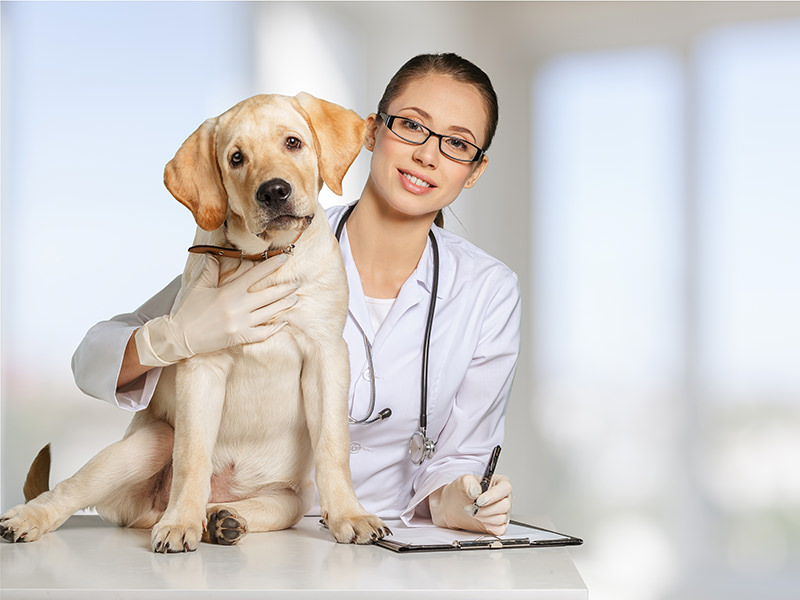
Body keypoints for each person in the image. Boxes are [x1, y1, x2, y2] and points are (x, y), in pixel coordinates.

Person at [72, 53, 520, 536]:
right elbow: (91, 357)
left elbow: (459, 462)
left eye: (457, 143)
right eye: (412, 126)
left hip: (386, 539)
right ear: (371, 133)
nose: (427, 155)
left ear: (474, 170)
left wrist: (467, 501)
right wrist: (174, 337)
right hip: (257, 528)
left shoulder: (487, 291)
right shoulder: (258, 245)